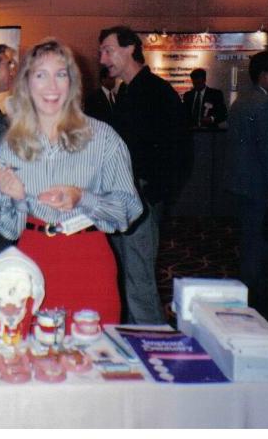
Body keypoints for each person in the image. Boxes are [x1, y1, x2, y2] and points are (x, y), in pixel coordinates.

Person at [0, 39, 142, 329]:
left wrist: (82, 197)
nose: (52, 86)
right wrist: (17, 199)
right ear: (26, 83)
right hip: (31, 261)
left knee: (94, 349)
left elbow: (129, 210)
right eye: (41, 75)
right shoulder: (11, 146)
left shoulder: (103, 138)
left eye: (61, 74)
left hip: (88, 259)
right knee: (35, 350)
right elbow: (9, 230)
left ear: (72, 82)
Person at [98, 26, 187, 324]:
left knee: (139, 282)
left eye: (108, 51)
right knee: (126, 276)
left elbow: (179, 151)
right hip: (127, 197)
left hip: (142, 199)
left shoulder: (156, 92)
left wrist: (154, 194)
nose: (102, 59)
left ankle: (153, 340)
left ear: (130, 49)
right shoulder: (129, 92)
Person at [223, 50, 268, 309]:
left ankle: (247, 293)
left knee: (249, 240)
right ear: (264, 75)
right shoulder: (265, 104)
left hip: (241, 183)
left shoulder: (242, 100)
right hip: (259, 185)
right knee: (260, 244)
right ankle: (255, 299)